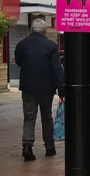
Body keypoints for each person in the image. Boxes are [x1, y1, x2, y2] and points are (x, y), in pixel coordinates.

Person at [15, 18, 65, 161]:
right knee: (46, 118)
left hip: (27, 87)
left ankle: (27, 145)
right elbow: (56, 69)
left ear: (32, 29)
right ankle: (49, 148)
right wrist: (61, 90)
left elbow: (19, 61)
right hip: (46, 88)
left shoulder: (21, 44)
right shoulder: (51, 46)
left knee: (29, 118)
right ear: (44, 31)